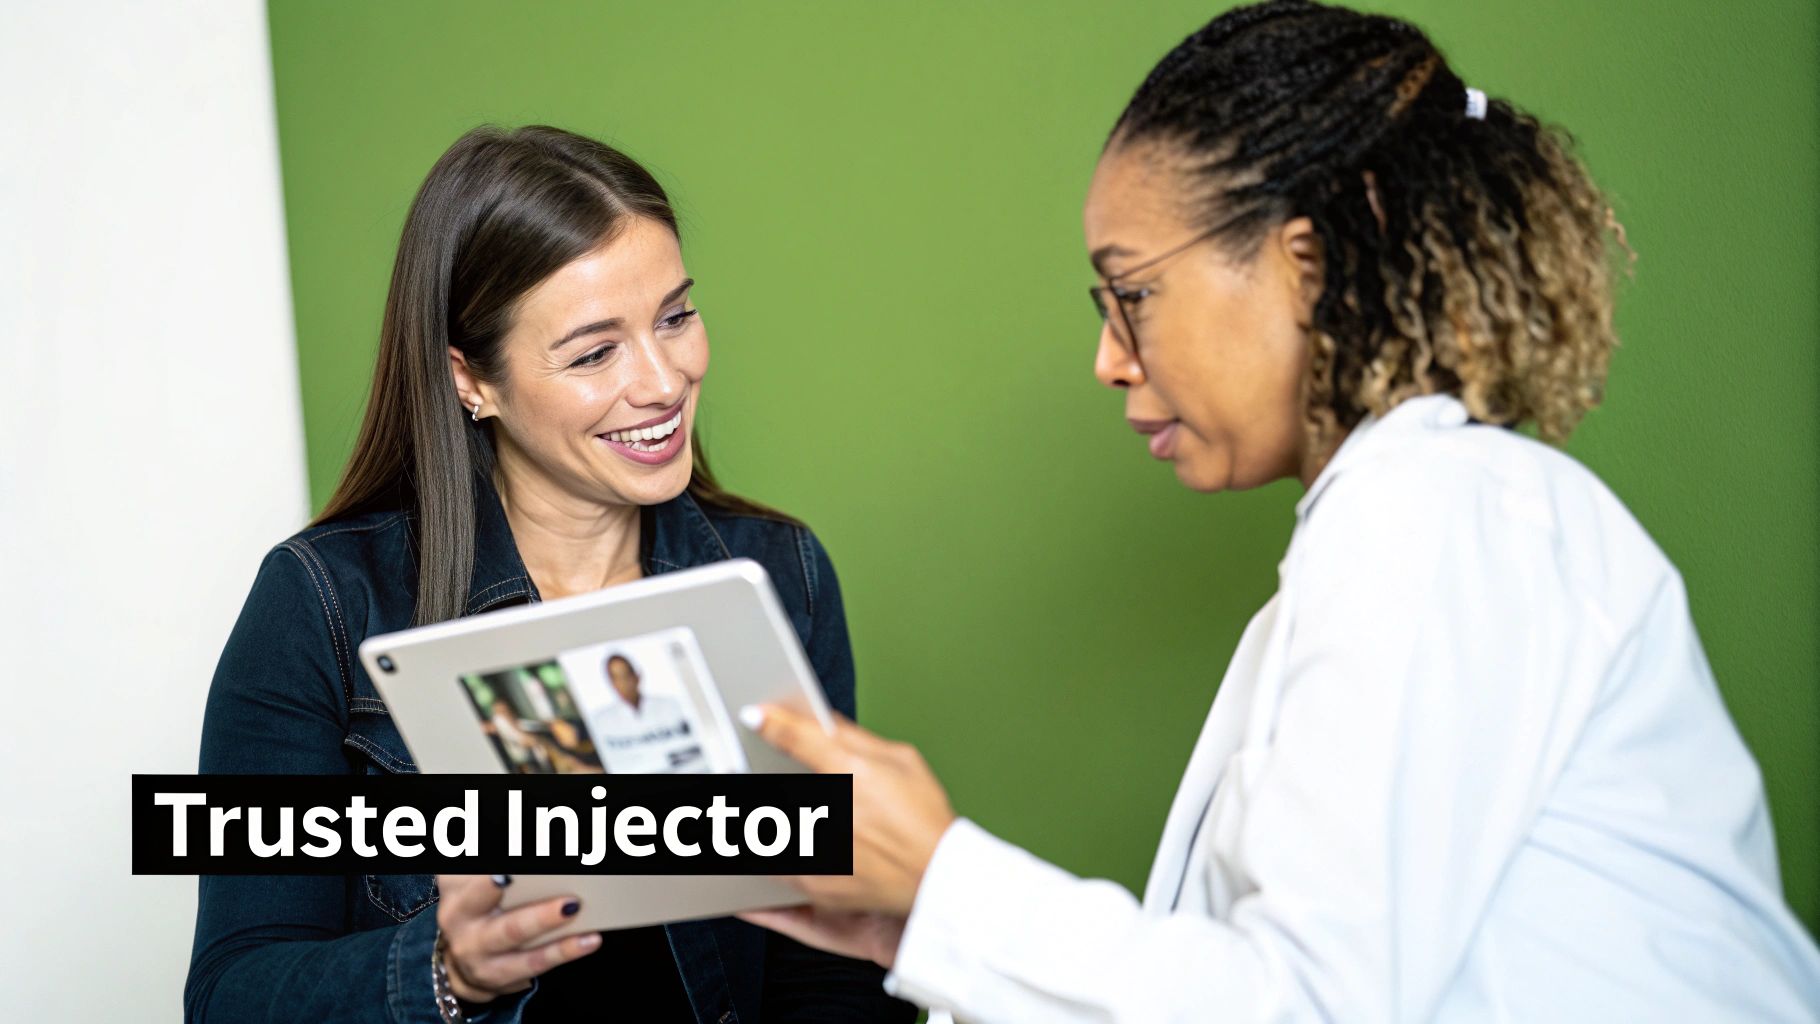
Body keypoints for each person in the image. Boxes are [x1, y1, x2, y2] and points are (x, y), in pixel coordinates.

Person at [736, 3, 1820, 1020]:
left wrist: (948, 881)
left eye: (1132, 294)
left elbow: (1305, 1004)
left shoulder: (1434, 515)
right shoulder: (1385, 543)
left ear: (1303, 264)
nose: (1109, 358)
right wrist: (920, 922)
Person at [186, 125, 915, 1023]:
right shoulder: (323, 606)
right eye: (594, 351)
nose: (663, 380)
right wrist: (448, 971)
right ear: (470, 381)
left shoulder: (777, 573)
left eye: (676, 316)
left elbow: (829, 962)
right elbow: (231, 996)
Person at [589, 653, 707, 773]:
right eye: (616, 678)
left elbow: (695, 750)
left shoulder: (671, 706)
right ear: (611, 683)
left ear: (637, 676)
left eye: (626, 676)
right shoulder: (600, 721)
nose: (623, 683)